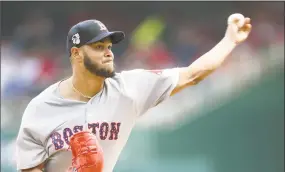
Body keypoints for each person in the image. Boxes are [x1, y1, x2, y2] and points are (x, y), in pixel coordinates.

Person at [16, 15, 252, 172]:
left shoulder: (128, 88)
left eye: (109, 47)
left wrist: (230, 40)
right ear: (76, 54)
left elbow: (193, 74)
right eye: (98, 47)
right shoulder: (41, 108)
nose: (108, 53)